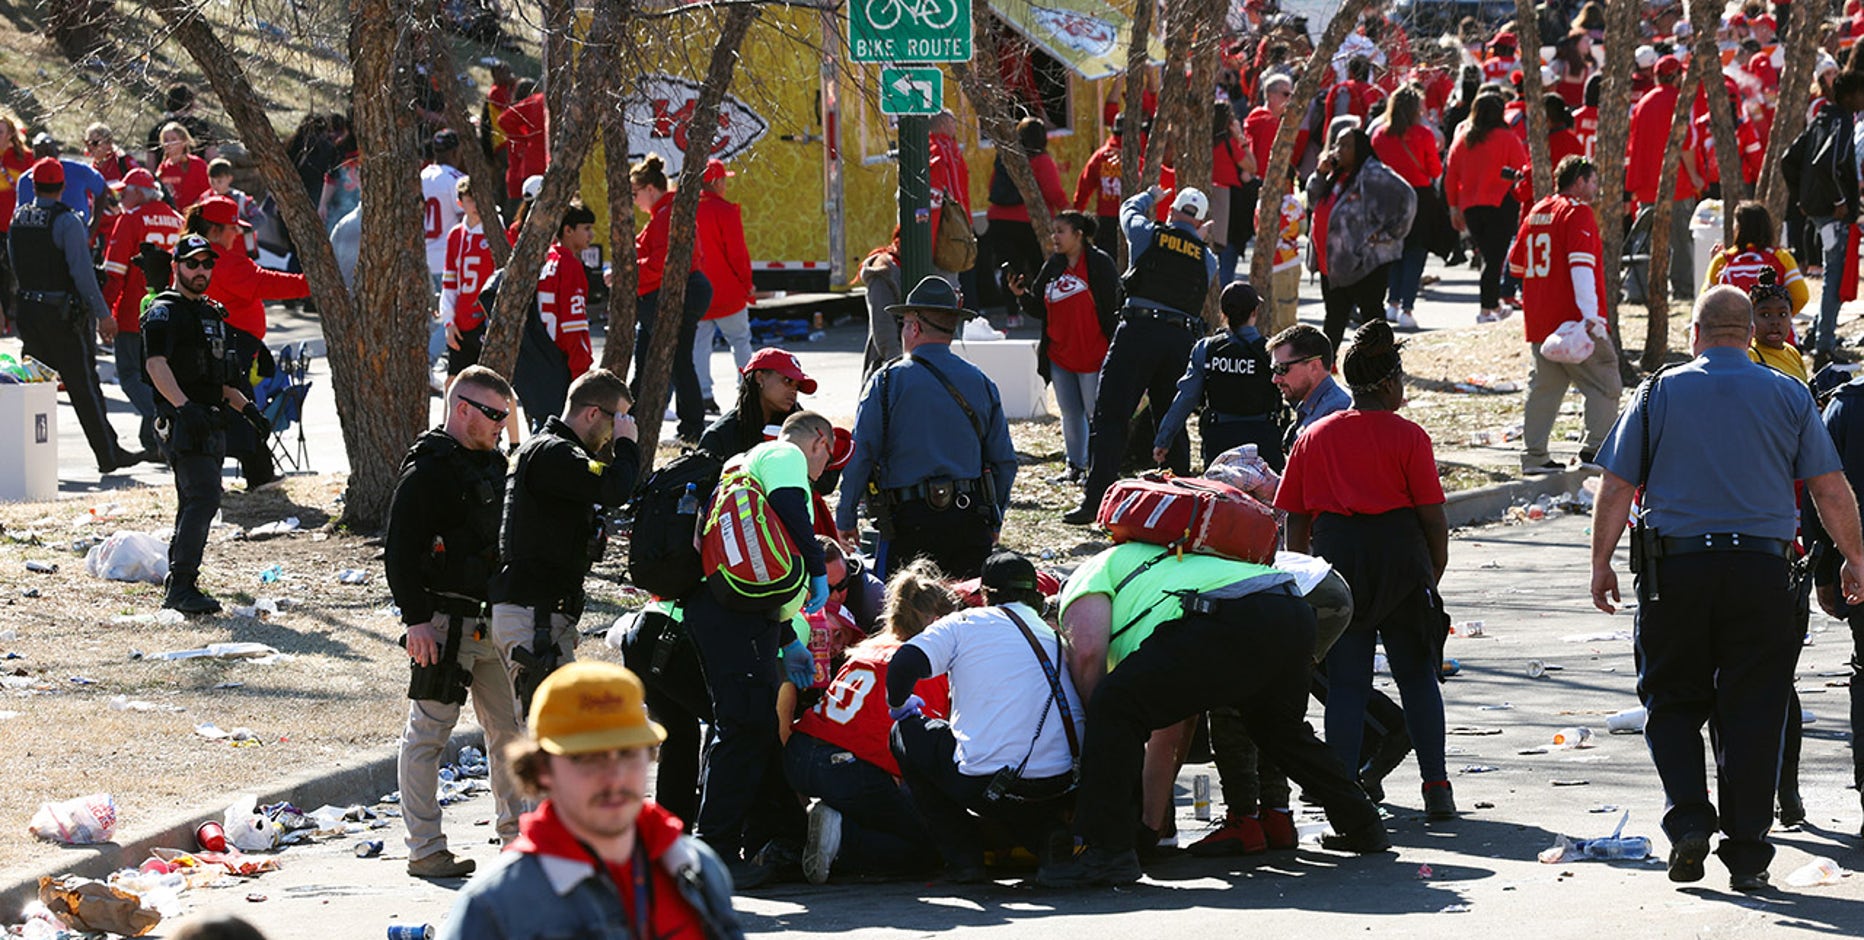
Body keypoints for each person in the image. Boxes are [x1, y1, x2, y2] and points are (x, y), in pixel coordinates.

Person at [1588, 285, 1864, 893]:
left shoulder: (1658, 391)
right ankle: (1747, 853)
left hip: (1675, 575)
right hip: (1762, 577)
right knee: (1754, 709)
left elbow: (1616, 485)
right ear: (1747, 333)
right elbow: (1830, 487)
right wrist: (1856, 559)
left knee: (1672, 701)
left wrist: (1601, 562)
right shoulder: (1791, 393)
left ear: (1695, 334)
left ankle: (1689, 818)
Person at [1040, 540, 1391, 887]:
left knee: (1111, 705)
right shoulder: (1148, 575)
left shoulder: (1083, 580)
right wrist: (1148, 829)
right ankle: (1363, 825)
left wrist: (1096, 727)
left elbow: (1085, 654)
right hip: (1290, 608)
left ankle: (1104, 852)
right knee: (1279, 731)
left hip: (1227, 615)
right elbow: (1174, 724)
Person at [1276, 320, 1454, 821]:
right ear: (1388, 383)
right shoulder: (1409, 437)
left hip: (1339, 564)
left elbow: (1296, 517)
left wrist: (1307, 577)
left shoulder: (1314, 436)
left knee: (1347, 685)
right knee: (1417, 676)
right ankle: (1436, 787)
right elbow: (1432, 519)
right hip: (1401, 560)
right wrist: (1430, 576)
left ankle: (1345, 792)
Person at [437, 661, 744, 940]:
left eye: (627, 753)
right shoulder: (496, 907)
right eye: (587, 759)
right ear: (542, 769)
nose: (613, 777)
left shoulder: (694, 867)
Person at [387, 367, 524, 879]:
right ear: (461, 407)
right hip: (442, 623)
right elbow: (398, 552)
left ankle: (518, 843)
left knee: (509, 732)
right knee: (428, 734)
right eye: (492, 414)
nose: (499, 425)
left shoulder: (494, 465)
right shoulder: (428, 470)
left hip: (490, 620)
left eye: (505, 416)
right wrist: (417, 620)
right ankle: (425, 849)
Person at [687, 411, 834, 884]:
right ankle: (715, 852)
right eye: (828, 457)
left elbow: (756, 564)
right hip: (737, 617)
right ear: (819, 442)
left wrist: (787, 636)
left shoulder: (739, 464)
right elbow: (791, 509)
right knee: (746, 727)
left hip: (734, 610)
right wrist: (815, 567)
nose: (823, 472)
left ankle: (745, 840)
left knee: (743, 727)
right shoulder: (785, 453)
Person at [886, 550, 1083, 884]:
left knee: (905, 733)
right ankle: (1046, 837)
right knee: (1008, 762)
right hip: (1064, 782)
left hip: (992, 785)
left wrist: (900, 707)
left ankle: (964, 858)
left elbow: (903, 665)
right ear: (1034, 593)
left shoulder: (964, 623)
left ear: (985, 594)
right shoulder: (1054, 634)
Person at [787, 559, 956, 884]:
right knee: (930, 845)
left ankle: (830, 824)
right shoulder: (922, 664)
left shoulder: (867, 650)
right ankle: (843, 839)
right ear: (938, 622)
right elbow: (923, 751)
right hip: (845, 769)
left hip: (801, 753)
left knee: (888, 807)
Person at [837, 277, 1017, 578]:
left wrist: (846, 516)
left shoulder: (886, 381)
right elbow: (1005, 462)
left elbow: (862, 454)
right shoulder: (981, 382)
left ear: (915, 327)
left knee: (905, 617)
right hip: (969, 518)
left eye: (904, 323)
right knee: (964, 614)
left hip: (907, 522)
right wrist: (994, 520)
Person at [1061, 185, 1218, 526]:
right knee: (1171, 422)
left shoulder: (1148, 233)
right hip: (1179, 339)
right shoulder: (1208, 258)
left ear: (1172, 211)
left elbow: (1127, 210)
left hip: (1138, 332)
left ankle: (1096, 502)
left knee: (1111, 416)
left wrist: (1149, 195)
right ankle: (1180, 505)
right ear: (1202, 220)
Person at [490, 369, 640, 717]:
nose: (615, 433)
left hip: (540, 614)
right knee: (549, 737)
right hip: (535, 617)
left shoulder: (548, 451)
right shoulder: (555, 454)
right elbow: (615, 488)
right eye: (617, 421)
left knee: (541, 737)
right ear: (592, 414)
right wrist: (627, 445)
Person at [142, 235, 268, 614]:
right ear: (176, 266)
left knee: (193, 500)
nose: (201, 271)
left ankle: (180, 579)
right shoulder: (165, 311)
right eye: (192, 263)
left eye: (206, 264)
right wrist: (183, 407)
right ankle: (181, 586)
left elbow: (222, 379)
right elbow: (155, 364)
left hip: (212, 422)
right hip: (183, 422)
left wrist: (249, 410)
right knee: (204, 498)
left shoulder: (211, 313)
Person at [8, 157, 144, 474]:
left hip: (29, 312)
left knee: (32, 388)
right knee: (83, 384)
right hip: (62, 316)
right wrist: (103, 315)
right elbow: (82, 275)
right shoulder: (67, 221)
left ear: (34, 186)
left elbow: (16, 265)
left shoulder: (19, 218)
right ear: (63, 187)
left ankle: (25, 460)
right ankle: (108, 454)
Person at [1507, 156, 1622, 475]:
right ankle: (1595, 450)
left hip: (1540, 319)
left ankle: (1534, 457)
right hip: (1574, 321)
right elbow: (1581, 268)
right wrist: (1592, 318)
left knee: (1544, 387)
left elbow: (1516, 265)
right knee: (1606, 383)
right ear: (1580, 181)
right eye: (1594, 181)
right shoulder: (1577, 212)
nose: (1597, 188)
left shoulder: (1537, 210)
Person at [192, 194, 308, 489]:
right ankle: (259, 474)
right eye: (234, 228)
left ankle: (232, 475)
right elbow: (267, 283)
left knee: (221, 408)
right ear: (215, 230)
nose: (238, 234)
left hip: (220, 343)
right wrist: (312, 283)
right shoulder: (224, 262)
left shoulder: (195, 256)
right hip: (230, 346)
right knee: (241, 409)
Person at [1007, 210, 1119, 482]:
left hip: (1093, 354)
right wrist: (1021, 295)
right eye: (1053, 231)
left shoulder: (1099, 264)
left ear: (1078, 235)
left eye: (1061, 231)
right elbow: (1039, 308)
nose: (1054, 237)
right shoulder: (1054, 265)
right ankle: (1075, 467)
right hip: (1060, 355)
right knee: (1070, 414)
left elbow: (1113, 307)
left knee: (1096, 415)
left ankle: (1099, 471)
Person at [1153, 282, 1282, 471]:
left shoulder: (1206, 349)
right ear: (1255, 312)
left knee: (1221, 497)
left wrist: (1164, 440)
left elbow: (1186, 398)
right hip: (1263, 439)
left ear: (1223, 312)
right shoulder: (1272, 351)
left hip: (1220, 439)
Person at [1309, 126, 1416, 353]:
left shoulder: (1373, 174)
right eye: (1337, 144)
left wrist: (1390, 234)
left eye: (1346, 145)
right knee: (1335, 317)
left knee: (1371, 318)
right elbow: (1312, 201)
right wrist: (1319, 173)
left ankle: (1383, 361)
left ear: (1361, 149)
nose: (1339, 150)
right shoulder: (1335, 175)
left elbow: (1407, 198)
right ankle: (1326, 369)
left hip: (1365, 263)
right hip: (1332, 265)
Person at [101, 166, 184, 456]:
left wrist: (104, 313)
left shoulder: (131, 219)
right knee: (162, 374)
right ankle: (154, 441)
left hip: (136, 313)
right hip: (174, 311)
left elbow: (115, 274)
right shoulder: (178, 220)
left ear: (139, 192)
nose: (122, 196)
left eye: (126, 191)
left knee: (131, 376)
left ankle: (168, 423)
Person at [1784, 71, 1864, 364]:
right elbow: (1826, 164)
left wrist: (1801, 199)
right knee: (1834, 278)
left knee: (1833, 276)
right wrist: (1839, 200)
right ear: (1849, 96)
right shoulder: (1842, 122)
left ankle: (1816, 334)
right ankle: (1825, 345)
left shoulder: (1821, 118)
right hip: (1833, 215)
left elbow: (1788, 159)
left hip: (1817, 211)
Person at [631, 154, 711, 442]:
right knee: (654, 360)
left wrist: (627, 272)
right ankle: (633, 420)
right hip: (678, 292)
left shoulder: (668, 215)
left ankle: (690, 426)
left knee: (678, 362)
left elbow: (660, 264)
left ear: (650, 189)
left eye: (635, 193)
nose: (634, 200)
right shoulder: (665, 214)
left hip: (680, 292)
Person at [1445, 94, 1527, 325]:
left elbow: (1451, 176)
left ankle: (1492, 305)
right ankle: (1487, 307)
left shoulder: (1463, 139)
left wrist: (1453, 207)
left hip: (1471, 206)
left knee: (1489, 256)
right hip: (1501, 203)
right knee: (1495, 258)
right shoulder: (1508, 138)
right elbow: (1522, 169)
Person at [1626, 55, 1702, 302]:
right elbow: (1687, 144)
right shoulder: (1680, 102)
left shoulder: (1644, 102)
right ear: (1677, 75)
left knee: (1646, 238)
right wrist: (1695, 177)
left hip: (1647, 183)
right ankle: (1683, 289)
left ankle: (1638, 289)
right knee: (1680, 240)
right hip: (1677, 183)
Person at [1372, 85, 1442, 331]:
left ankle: (1392, 302)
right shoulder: (1423, 134)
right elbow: (1435, 170)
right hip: (1418, 197)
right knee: (1415, 253)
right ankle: (1407, 308)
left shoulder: (1379, 135)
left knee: (1394, 251)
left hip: (1388, 198)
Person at [694, 159, 756, 411]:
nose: (726, 185)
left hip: (698, 292)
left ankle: (703, 395)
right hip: (727, 291)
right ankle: (748, 392)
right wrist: (747, 284)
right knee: (740, 341)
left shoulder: (689, 209)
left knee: (700, 344)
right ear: (716, 182)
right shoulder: (726, 211)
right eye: (724, 180)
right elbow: (737, 254)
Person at [984, 117, 1069, 293]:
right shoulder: (1041, 160)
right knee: (1039, 266)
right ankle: (1041, 306)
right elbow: (1053, 192)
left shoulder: (1006, 158)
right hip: (1030, 222)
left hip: (999, 219)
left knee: (1010, 270)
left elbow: (991, 186)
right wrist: (1069, 212)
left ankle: (1012, 315)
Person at [699, 347, 816, 458]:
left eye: (797, 386)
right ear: (760, 378)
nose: (793, 391)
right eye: (788, 380)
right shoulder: (719, 436)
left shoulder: (800, 427)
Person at [1703, 201, 1810, 315]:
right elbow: (1801, 296)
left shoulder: (1723, 259)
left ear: (1738, 228)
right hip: (1771, 330)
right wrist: (1781, 316)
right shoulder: (1781, 257)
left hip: (1735, 329)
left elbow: (1704, 301)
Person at [440, 176, 499, 382]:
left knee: (486, 382)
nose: (477, 205)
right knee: (454, 381)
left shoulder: (496, 232)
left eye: (480, 198)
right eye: (470, 199)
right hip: (461, 320)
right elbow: (449, 282)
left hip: (485, 320)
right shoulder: (456, 235)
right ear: (460, 203)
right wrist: (448, 321)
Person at [1269, 324, 1351, 454]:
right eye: (1273, 370)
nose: (1275, 379)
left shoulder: (1337, 412)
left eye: (1281, 369)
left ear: (1314, 366)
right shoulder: (1314, 404)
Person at [539, 202, 596, 379]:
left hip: (543, 353)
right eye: (586, 228)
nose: (591, 235)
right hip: (563, 360)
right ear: (568, 230)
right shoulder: (570, 265)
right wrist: (581, 370)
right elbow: (573, 324)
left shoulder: (547, 258)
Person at [928, 109, 972, 287]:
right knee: (950, 274)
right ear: (943, 124)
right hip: (949, 223)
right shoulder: (942, 151)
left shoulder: (947, 148)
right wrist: (964, 219)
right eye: (953, 123)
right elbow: (955, 192)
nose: (955, 127)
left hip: (949, 221)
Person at [1071, 114, 1123, 255]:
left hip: (1105, 219)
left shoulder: (1100, 156)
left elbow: (1084, 185)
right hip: (1129, 216)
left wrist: (1077, 212)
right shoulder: (1137, 157)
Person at [142, 84, 216, 167]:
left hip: (166, 175)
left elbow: (151, 165)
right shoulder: (202, 128)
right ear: (190, 103)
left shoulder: (158, 130)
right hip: (196, 176)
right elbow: (212, 158)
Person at [155, 122, 210, 211]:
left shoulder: (197, 164)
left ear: (184, 142)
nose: (169, 143)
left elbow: (209, 192)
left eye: (173, 139)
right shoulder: (163, 168)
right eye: (165, 140)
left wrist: (192, 209)